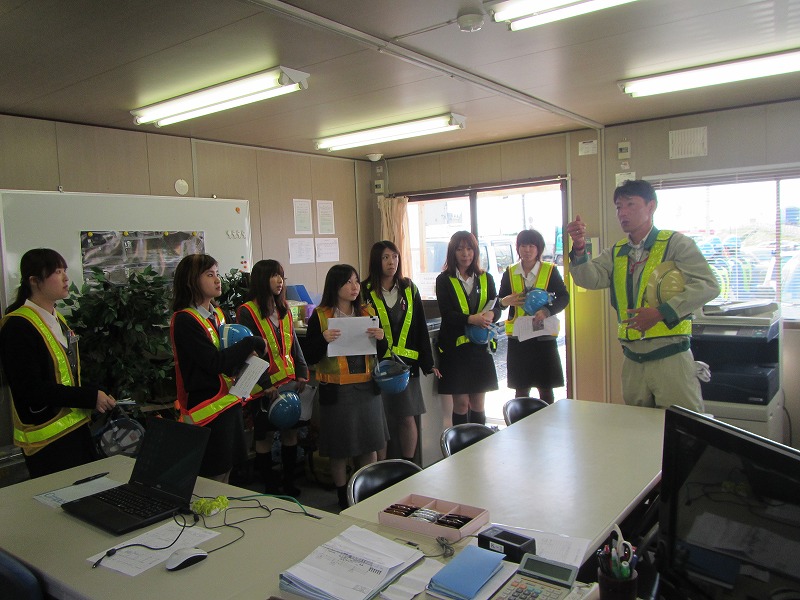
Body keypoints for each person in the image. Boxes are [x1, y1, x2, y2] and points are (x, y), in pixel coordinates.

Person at [565, 179, 720, 411]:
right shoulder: (617, 252)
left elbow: (708, 285)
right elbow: (589, 278)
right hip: (633, 359)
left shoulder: (675, 244)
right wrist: (579, 247)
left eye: (630, 205)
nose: (623, 213)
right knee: (638, 431)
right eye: (618, 207)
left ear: (651, 207)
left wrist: (661, 313)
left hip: (671, 357)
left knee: (681, 431)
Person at [0, 248, 116, 478]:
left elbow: (66, 376)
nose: (65, 278)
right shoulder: (17, 326)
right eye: (56, 272)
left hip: (75, 431)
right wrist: (88, 397)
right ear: (34, 281)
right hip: (47, 440)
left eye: (64, 270)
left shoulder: (57, 318)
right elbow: (31, 389)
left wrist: (95, 392)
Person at [170, 254, 266, 483]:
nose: (217, 280)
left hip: (228, 402)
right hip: (207, 407)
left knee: (227, 469)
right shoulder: (185, 320)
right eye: (209, 274)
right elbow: (213, 362)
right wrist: (250, 343)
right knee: (212, 474)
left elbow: (228, 357)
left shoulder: (219, 314)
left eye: (217, 273)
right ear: (191, 281)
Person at [303, 264, 388, 509]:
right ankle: (342, 496)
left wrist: (381, 338)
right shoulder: (321, 315)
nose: (354, 287)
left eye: (356, 281)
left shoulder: (367, 311)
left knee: (369, 444)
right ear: (335, 286)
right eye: (348, 282)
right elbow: (310, 354)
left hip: (367, 387)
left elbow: (380, 353)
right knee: (340, 448)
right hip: (336, 391)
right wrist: (323, 339)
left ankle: (368, 492)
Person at [363, 241, 439, 464]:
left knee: (407, 416)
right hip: (376, 366)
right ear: (377, 260)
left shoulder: (409, 288)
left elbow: (420, 326)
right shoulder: (364, 290)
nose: (391, 262)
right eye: (386, 257)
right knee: (381, 420)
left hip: (406, 366)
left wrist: (428, 362)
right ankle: (383, 468)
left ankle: (408, 465)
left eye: (394, 257)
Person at [237, 259, 309, 497]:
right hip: (263, 386)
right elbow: (249, 352)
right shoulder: (247, 311)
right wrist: (265, 385)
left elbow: (294, 345)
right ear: (261, 280)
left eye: (281, 276)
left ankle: (289, 482)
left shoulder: (284, 309)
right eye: (274, 276)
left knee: (290, 432)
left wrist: (301, 373)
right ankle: (269, 484)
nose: (280, 281)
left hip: (289, 382)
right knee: (265, 435)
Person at [435, 231, 501, 426]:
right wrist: (471, 319)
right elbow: (446, 313)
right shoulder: (444, 280)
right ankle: (461, 450)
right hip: (455, 351)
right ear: (452, 253)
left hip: (480, 348)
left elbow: (496, 306)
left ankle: (480, 444)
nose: (465, 254)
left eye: (469, 248)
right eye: (460, 249)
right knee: (462, 404)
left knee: (478, 404)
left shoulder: (486, 278)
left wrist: (491, 315)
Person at [498, 229, 569, 403]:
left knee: (546, 389)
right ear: (518, 248)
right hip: (519, 340)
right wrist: (506, 301)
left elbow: (564, 297)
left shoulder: (550, 271)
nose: (527, 250)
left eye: (532, 245)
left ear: (539, 249)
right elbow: (499, 301)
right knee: (521, 390)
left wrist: (547, 310)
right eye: (523, 245)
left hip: (543, 338)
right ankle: (522, 428)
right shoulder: (510, 272)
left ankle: (548, 427)